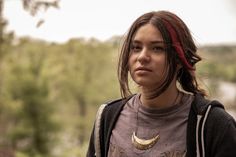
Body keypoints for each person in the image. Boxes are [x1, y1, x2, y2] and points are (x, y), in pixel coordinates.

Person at [86, 10, 236, 157]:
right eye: (136, 47)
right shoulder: (107, 116)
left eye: (157, 48)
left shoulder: (213, 125)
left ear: (179, 59)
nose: (142, 57)